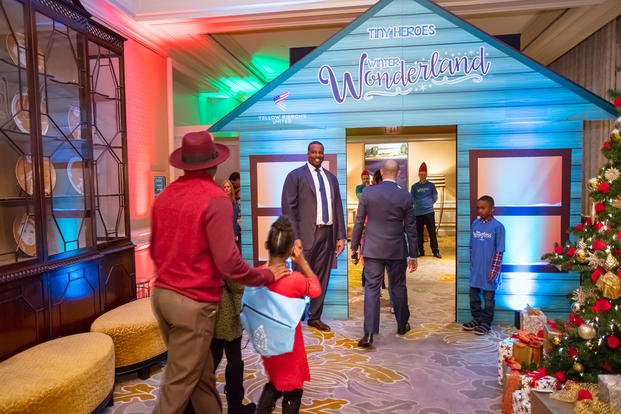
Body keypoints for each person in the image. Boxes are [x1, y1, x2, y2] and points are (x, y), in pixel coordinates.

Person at [150, 131, 289, 414]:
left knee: (200, 378)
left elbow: (154, 250)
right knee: (177, 386)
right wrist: (267, 275)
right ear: (213, 164)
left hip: (161, 297)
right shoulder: (216, 199)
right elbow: (229, 263)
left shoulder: (164, 196)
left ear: (184, 164)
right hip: (192, 304)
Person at [256, 216, 322, 414]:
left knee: (275, 382)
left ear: (268, 245)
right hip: (291, 348)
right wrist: (301, 261)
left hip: (268, 345)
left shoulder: (259, 274)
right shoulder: (294, 280)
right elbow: (316, 289)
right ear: (289, 251)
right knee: (293, 390)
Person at [350, 159, 418, 348]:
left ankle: (369, 333)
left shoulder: (368, 192)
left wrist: (354, 247)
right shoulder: (405, 196)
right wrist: (413, 254)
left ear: (380, 171)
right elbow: (411, 229)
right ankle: (402, 324)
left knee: (372, 289)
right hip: (396, 249)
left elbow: (359, 222)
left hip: (372, 248)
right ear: (397, 174)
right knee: (398, 287)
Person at [281, 141, 346, 332]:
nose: (317, 155)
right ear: (308, 153)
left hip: (328, 234)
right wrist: (295, 238)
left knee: (322, 278)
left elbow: (337, 208)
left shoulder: (331, 178)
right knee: (299, 278)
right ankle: (295, 315)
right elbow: (288, 209)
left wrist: (340, 236)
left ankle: (314, 317)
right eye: (313, 152)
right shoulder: (295, 176)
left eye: (320, 152)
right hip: (304, 236)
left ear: (323, 154)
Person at [462, 195, 505, 335]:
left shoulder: (498, 227)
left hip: (489, 270)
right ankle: (477, 318)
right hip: (476, 269)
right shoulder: (475, 224)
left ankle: (486, 323)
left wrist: (494, 271)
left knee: (488, 298)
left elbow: (499, 251)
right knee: (473, 297)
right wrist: (473, 263)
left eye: (483, 208)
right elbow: (471, 247)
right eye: (478, 208)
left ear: (492, 209)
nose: (480, 210)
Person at [411, 162, 442, 258]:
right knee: (419, 233)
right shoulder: (414, 187)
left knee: (432, 232)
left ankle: (435, 251)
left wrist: (428, 204)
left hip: (429, 212)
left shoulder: (431, 185)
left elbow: (435, 197)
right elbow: (411, 199)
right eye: (421, 174)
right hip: (417, 213)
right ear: (418, 175)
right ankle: (420, 251)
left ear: (426, 175)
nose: (422, 176)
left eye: (424, 174)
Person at [223, 179, 242, 251]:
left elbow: (237, 218)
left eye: (228, 187)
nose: (226, 189)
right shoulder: (221, 203)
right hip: (226, 234)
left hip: (236, 233)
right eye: (224, 187)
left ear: (231, 188)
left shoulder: (235, 203)